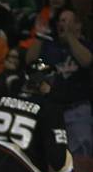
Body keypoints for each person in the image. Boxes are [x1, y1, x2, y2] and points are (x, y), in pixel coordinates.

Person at [26, 9, 93, 157]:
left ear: (78, 25)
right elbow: (30, 61)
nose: (61, 24)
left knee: (82, 152)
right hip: (51, 108)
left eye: (66, 20)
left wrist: (70, 36)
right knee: (47, 152)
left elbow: (86, 61)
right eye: (60, 21)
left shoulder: (86, 45)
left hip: (77, 109)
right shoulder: (50, 45)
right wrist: (39, 36)